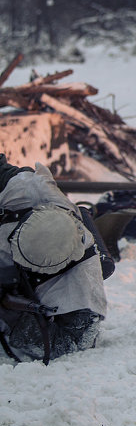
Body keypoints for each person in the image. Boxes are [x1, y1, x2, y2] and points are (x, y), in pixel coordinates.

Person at [0, 154, 107, 363]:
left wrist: (10, 311)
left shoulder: (81, 295)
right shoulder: (23, 194)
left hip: (56, 314)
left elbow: (69, 348)